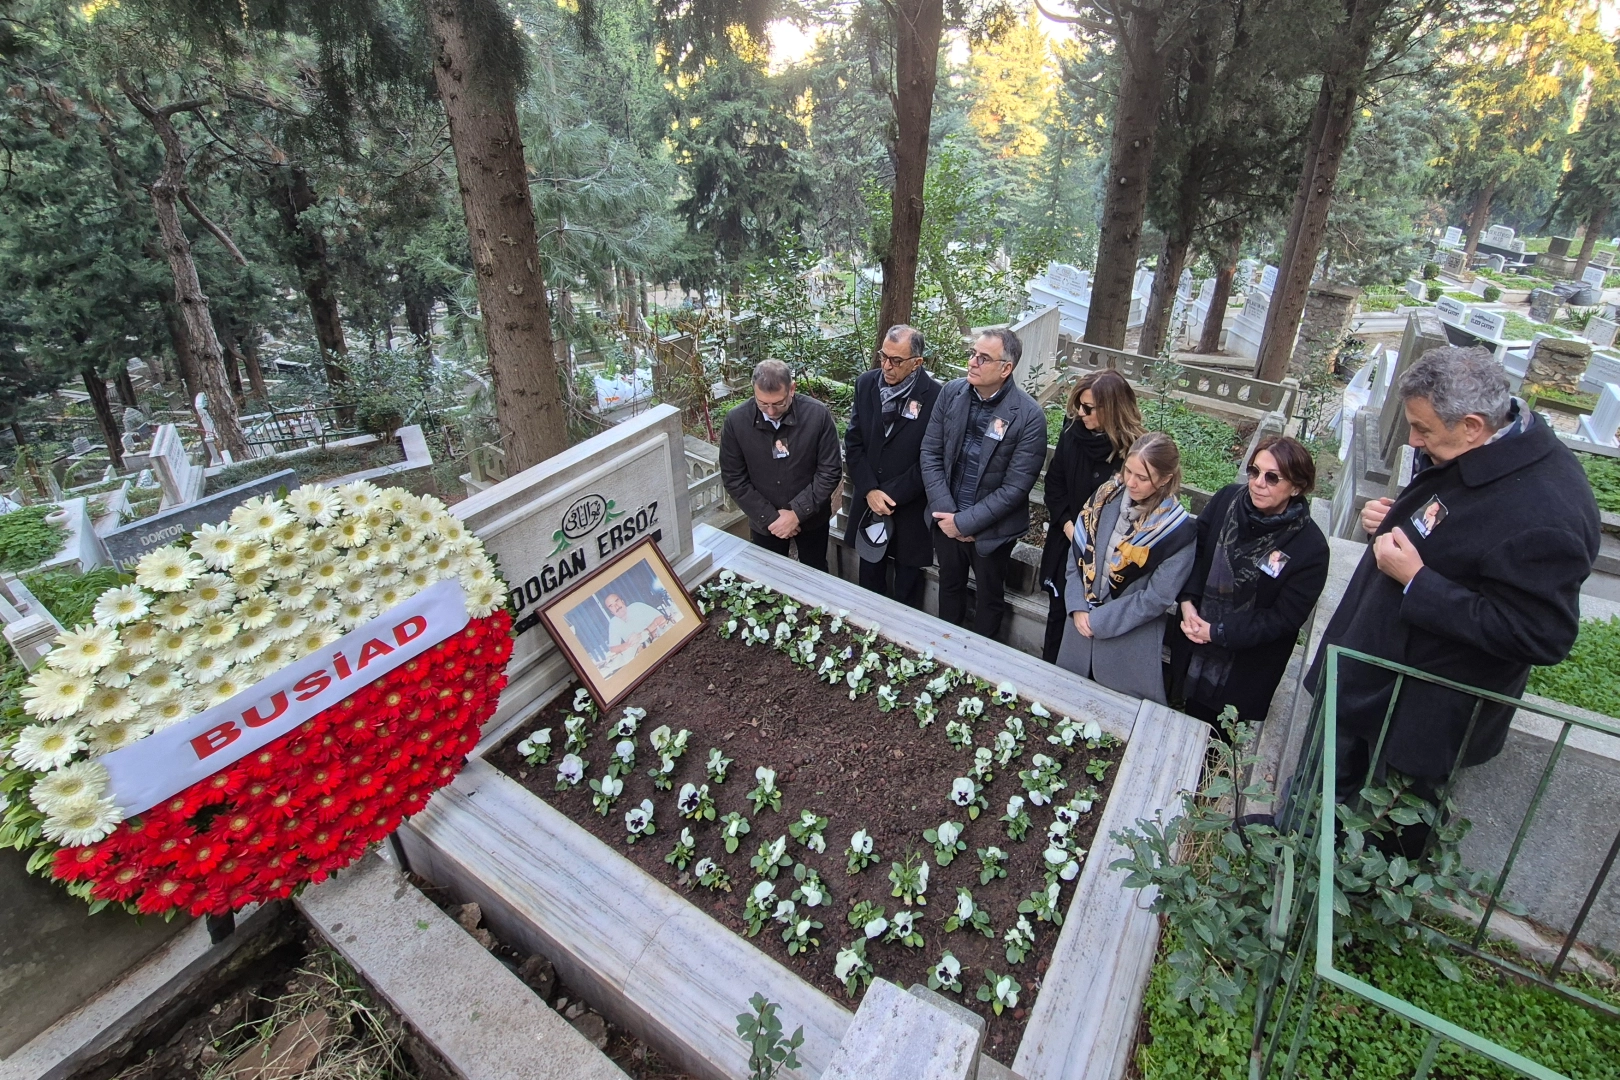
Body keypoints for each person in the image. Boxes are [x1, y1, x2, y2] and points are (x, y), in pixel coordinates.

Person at [1307, 346, 1599, 808]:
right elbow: (1460, 528)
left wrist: (1417, 580)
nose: (1414, 440)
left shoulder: (1547, 514)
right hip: (1370, 680)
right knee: (1318, 794)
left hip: (1416, 716)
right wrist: (1395, 520)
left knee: (1378, 831)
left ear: (1472, 425)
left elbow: (1539, 633)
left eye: (1423, 429)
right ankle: (1289, 833)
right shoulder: (1488, 448)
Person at [1167, 435, 1330, 726]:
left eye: (1272, 477)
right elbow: (1197, 550)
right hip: (1194, 640)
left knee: (1216, 735)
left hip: (1242, 669)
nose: (1257, 483)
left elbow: (1284, 617)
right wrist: (1188, 601)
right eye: (1254, 471)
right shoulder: (1226, 500)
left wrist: (1217, 632)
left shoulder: (1310, 548)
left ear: (1297, 487)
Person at [919, 329, 1048, 638]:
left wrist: (965, 523)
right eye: (973, 354)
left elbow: (1016, 488)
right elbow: (930, 452)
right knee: (949, 585)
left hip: (992, 530)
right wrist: (949, 516)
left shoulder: (1029, 416)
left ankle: (982, 657)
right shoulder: (951, 393)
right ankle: (945, 648)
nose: (972, 363)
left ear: (1006, 368)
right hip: (946, 517)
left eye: (983, 358)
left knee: (989, 598)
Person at [1056, 432, 1197, 704]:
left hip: (1126, 648)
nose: (1130, 482)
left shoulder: (1177, 531)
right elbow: (1078, 552)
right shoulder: (1104, 498)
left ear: (1165, 479)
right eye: (1128, 471)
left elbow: (1156, 598)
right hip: (1078, 632)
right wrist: (1076, 605)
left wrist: (1098, 621)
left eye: (1142, 478)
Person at [1038, 370, 1146, 662]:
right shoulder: (1072, 431)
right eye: (1078, 405)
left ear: (1112, 409)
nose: (1080, 413)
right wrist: (1069, 527)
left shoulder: (1137, 450)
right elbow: (1055, 484)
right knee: (1058, 615)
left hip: (1108, 558)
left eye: (1088, 408)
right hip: (1067, 542)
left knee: (1091, 627)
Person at [844, 325, 942, 607]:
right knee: (869, 580)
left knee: (907, 588)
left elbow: (932, 457)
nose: (887, 366)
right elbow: (854, 443)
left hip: (909, 506)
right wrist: (870, 490)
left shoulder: (936, 397)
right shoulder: (866, 384)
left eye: (896, 360)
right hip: (870, 502)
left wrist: (891, 494)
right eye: (883, 356)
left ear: (917, 362)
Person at [720, 359, 844, 571]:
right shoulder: (736, 421)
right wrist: (771, 518)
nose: (770, 411)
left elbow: (829, 471)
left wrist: (796, 513)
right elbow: (734, 477)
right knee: (768, 575)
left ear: (792, 389)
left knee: (815, 571)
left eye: (778, 403)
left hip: (812, 518)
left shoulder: (817, 415)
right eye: (762, 403)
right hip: (765, 522)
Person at [604, 592, 668, 656]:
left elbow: (661, 618)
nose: (616, 606)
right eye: (611, 606)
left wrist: (645, 632)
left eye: (617, 601)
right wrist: (629, 644)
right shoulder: (613, 623)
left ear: (622, 601)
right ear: (611, 612)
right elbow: (613, 649)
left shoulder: (637, 606)